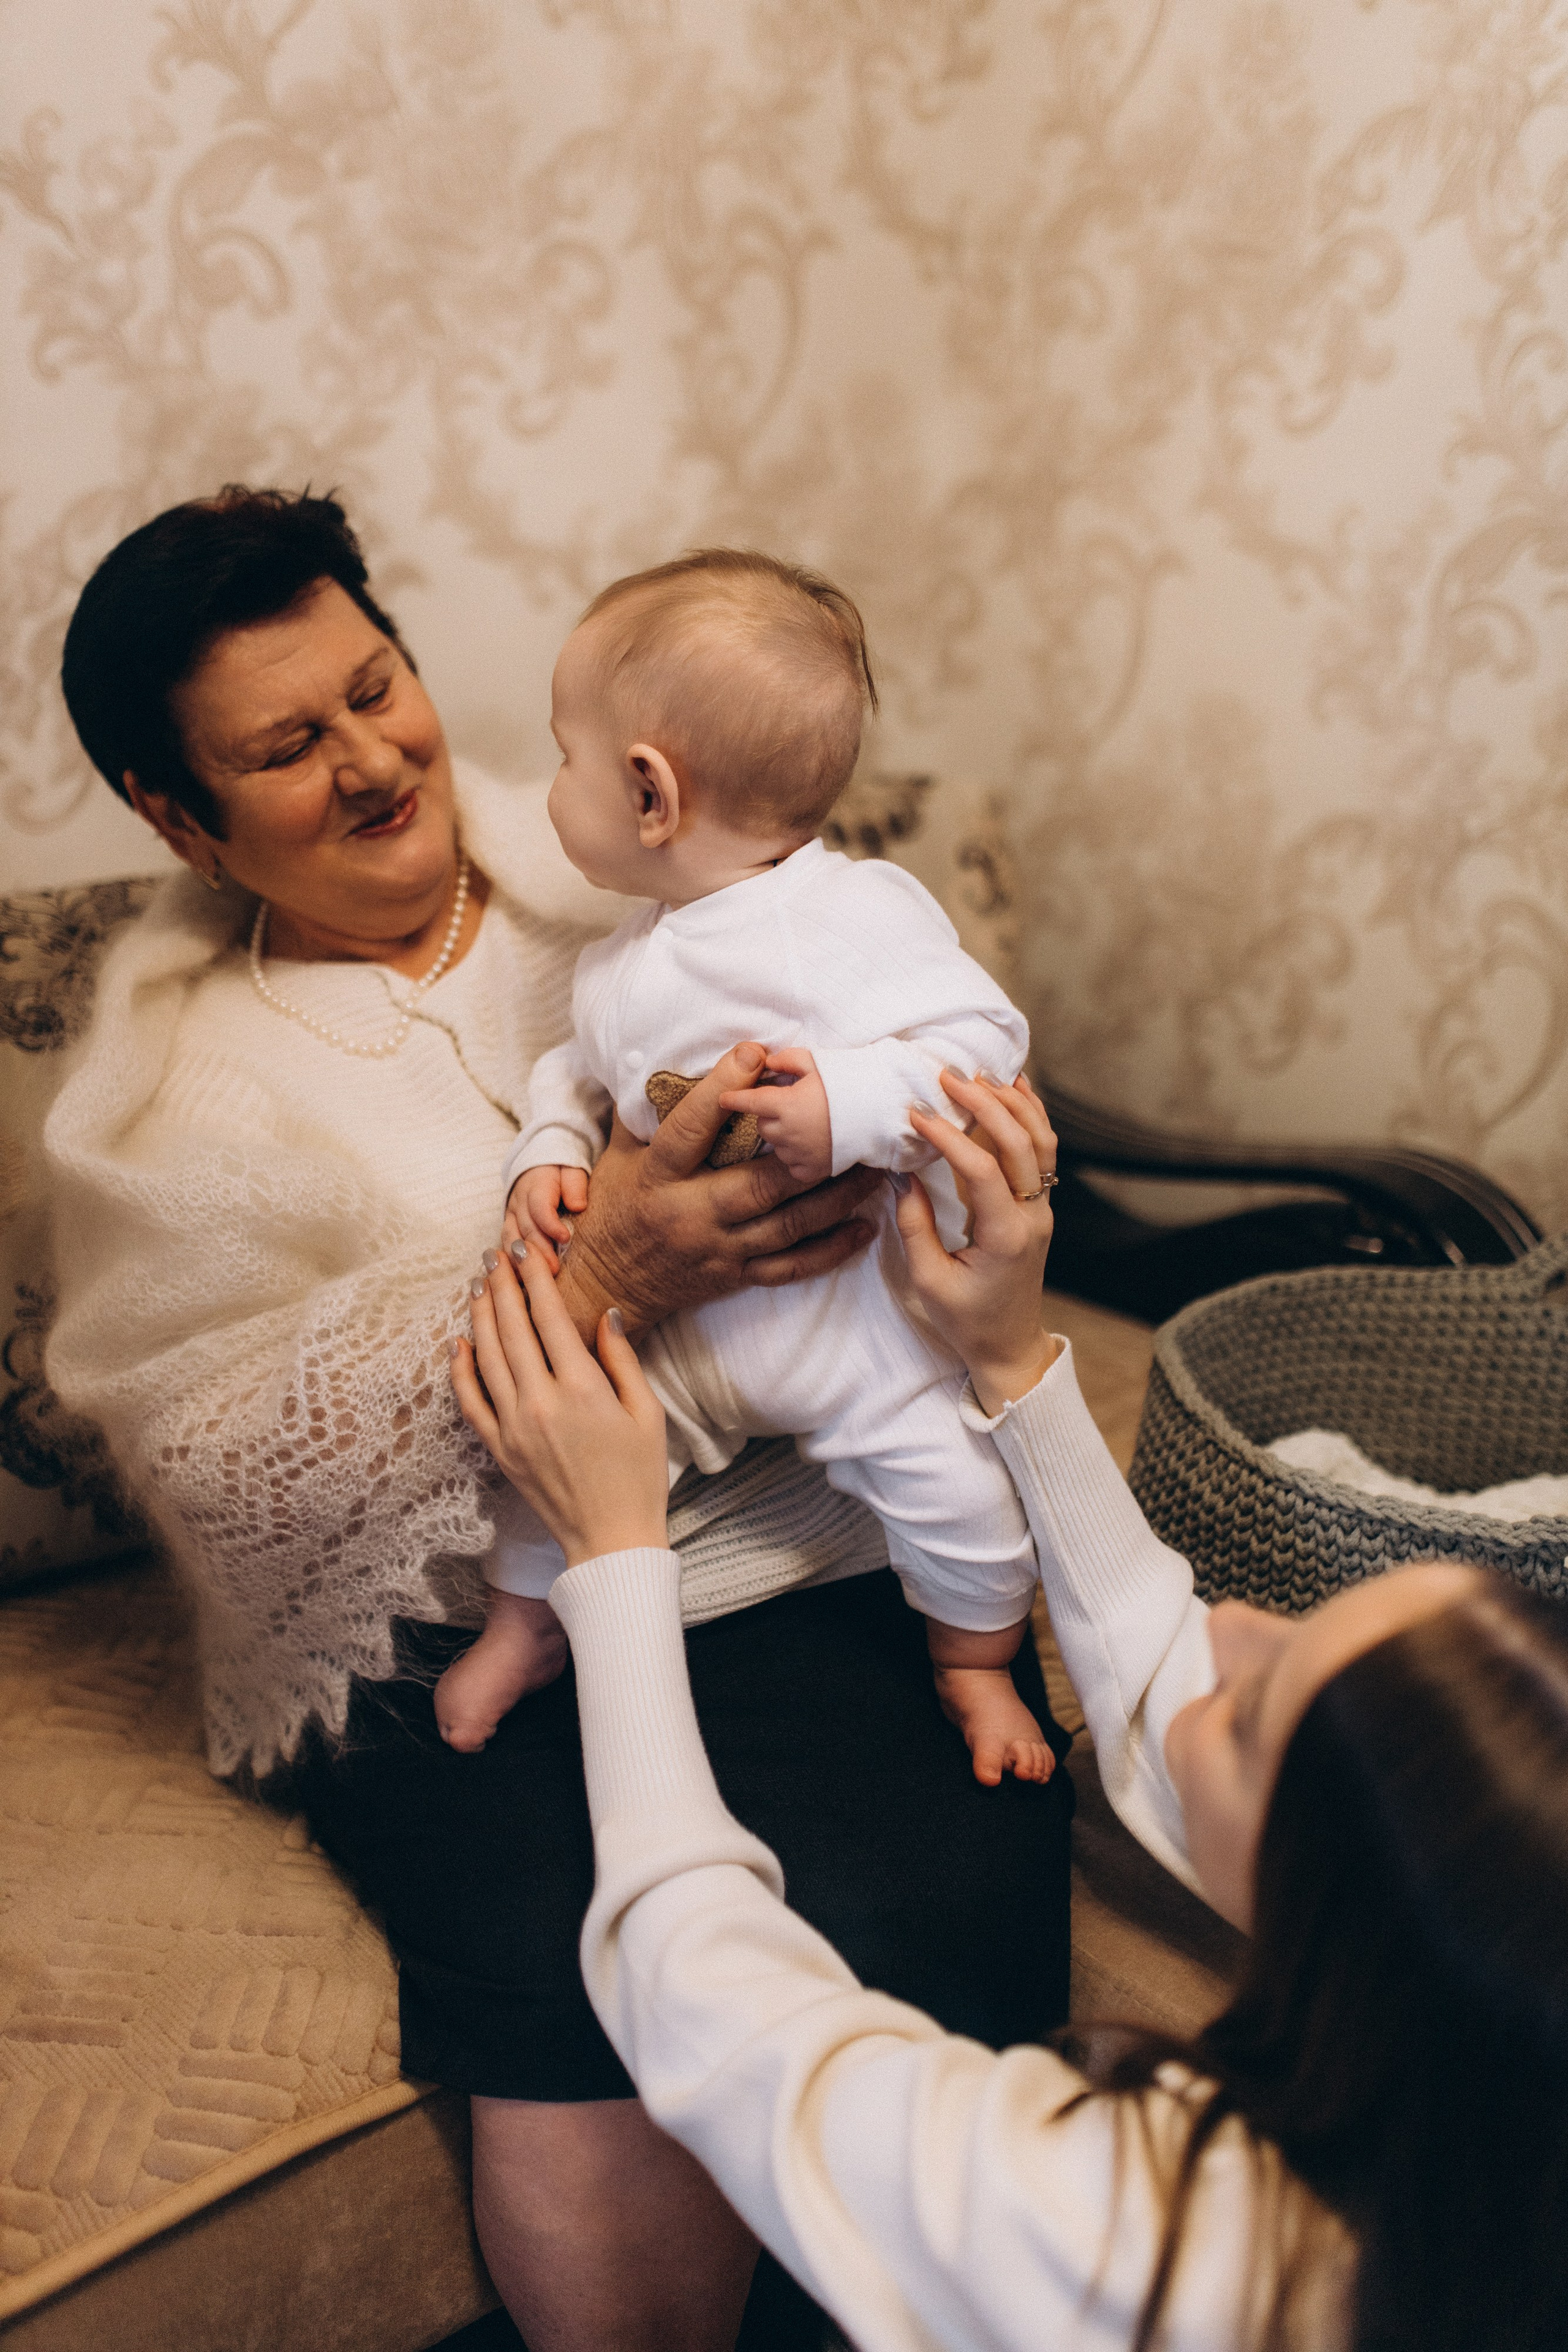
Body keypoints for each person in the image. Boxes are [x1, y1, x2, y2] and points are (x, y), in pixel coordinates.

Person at [43, 486, 1076, 2352]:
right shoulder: (174, 1095)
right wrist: (600, 1279)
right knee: (570, 1962)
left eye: (379, 687)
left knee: (946, 1885)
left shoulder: (643, 866)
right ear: (173, 815)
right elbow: (209, 1460)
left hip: (790, 1542)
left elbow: (896, 1028)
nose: (374, 759)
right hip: (462, 1621)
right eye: (290, 744)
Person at [456, 1068, 1568, 2352]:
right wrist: (1008, 1352)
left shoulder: (1130, 2231)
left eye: (1256, 1710)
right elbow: (1164, 1671)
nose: (1231, 1629)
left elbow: (715, 2011)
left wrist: (608, 1550)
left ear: (1335, 1923)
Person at [437, 549, 1054, 1790]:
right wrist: (545, 1154)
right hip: (686, 1337)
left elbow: (983, 1041)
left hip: (855, 1329)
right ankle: (522, 1627)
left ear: (650, 792)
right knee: (551, 1456)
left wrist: (847, 1104)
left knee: (962, 1497)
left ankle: (975, 1667)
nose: (548, 786)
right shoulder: (626, 955)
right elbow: (572, 1070)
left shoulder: (850, 915)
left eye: (563, 757)